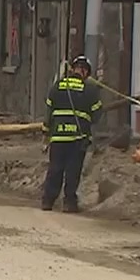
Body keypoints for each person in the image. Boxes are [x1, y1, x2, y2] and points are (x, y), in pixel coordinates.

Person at [40, 55, 103, 212]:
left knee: (55, 168)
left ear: (73, 69)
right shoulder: (89, 89)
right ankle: (69, 203)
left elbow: (48, 113)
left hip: (58, 137)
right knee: (73, 170)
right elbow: (97, 115)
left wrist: (46, 133)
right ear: (86, 72)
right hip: (78, 139)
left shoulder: (57, 86)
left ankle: (48, 201)